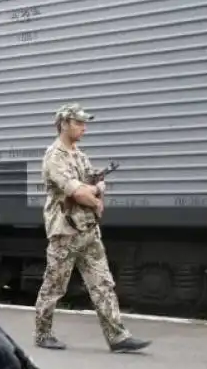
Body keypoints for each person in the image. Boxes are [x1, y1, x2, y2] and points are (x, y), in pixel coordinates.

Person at [33, 103, 151, 353]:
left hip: (87, 231)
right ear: (64, 124)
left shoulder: (79, 155)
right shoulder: (54, 156)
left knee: (103, 284)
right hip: (64, 232)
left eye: (84, 123)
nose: (84, 128)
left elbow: (95, 183)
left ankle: (118, 337)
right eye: (79, 122)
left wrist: (94, 189)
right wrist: (95, 194)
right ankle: (43, 334)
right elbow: (78, 193)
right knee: (55, 286)